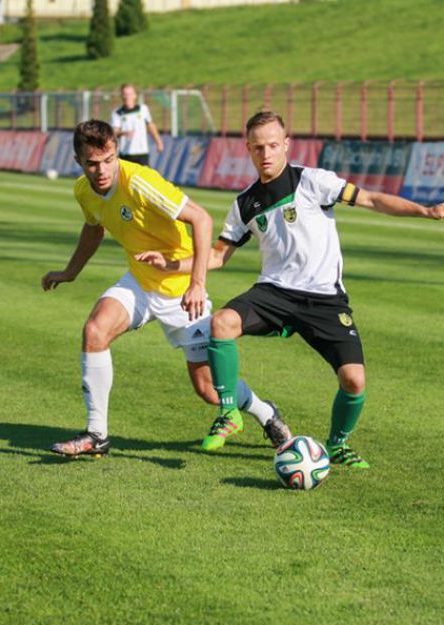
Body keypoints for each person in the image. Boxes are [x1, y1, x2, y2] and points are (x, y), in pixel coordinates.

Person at [139, 111, 444, 466]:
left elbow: (371, 200)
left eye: (273, 145)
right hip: (274, 293)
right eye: (258, 147)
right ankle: (230, 413)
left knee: (354, 380)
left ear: (286, 144)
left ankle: (337, 444)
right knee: (221, 323)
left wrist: (425, 211)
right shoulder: (244, 203)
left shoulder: (313, 182)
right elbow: (216, 255)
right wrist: (172, 265)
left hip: (324, 299)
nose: (266, 153)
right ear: (248, 149)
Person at [40, 119, 290, 458]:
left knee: (210, 389)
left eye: (109, 159)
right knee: (95, 330)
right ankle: (96, 434)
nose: (102, 170)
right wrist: (70, 271)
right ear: (78, 162)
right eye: (92, 163)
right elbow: (94, 228)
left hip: (180, 289)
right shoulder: (84, 191)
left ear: (117, 153)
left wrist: (197, 284)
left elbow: (201, 219)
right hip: (140, 282)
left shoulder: (141, 181)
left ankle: (266, 413)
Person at [110, 83, 164, 166]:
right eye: (125, 94)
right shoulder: (117, 113)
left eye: (130, 94)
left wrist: (158, 142)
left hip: (142, 152)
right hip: (126, 153)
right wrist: (124, 133)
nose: (127, 97)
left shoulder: (143, 109)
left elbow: (151, 125)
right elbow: (114, 132)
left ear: (135, 95)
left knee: (145, 177)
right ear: (121, 96)